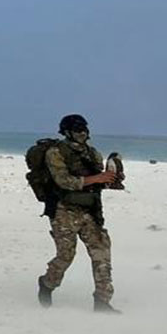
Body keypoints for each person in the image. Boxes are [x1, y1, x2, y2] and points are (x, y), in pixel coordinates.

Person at [37, 113, 120, 313]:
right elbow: (64, 181)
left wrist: (112, 180)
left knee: (102, 254)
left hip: (90, 211)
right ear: (67, 132)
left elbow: (99, 183)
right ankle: (47, 284)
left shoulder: (93, 154)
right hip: (64, 211)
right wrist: (97, 178)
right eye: (77, 130)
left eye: (84, 129)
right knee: (66, 255)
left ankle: (102, 301)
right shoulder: (56, 153)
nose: (82, 133)